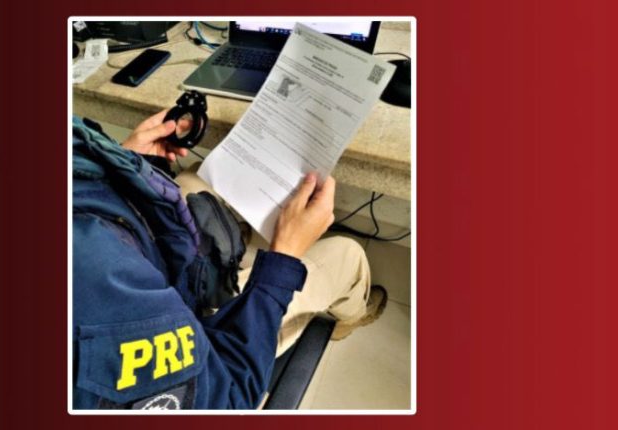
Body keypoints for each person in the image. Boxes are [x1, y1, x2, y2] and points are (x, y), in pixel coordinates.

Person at [72, 110, 386, 410]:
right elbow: (228, 398)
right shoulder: (93, 286)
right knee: (347, 255)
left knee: (196, 179)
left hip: (139, 261)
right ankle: (351, 316)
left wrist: (121, 168)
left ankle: (232, 260)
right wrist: (284, 256)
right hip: (207, 353)